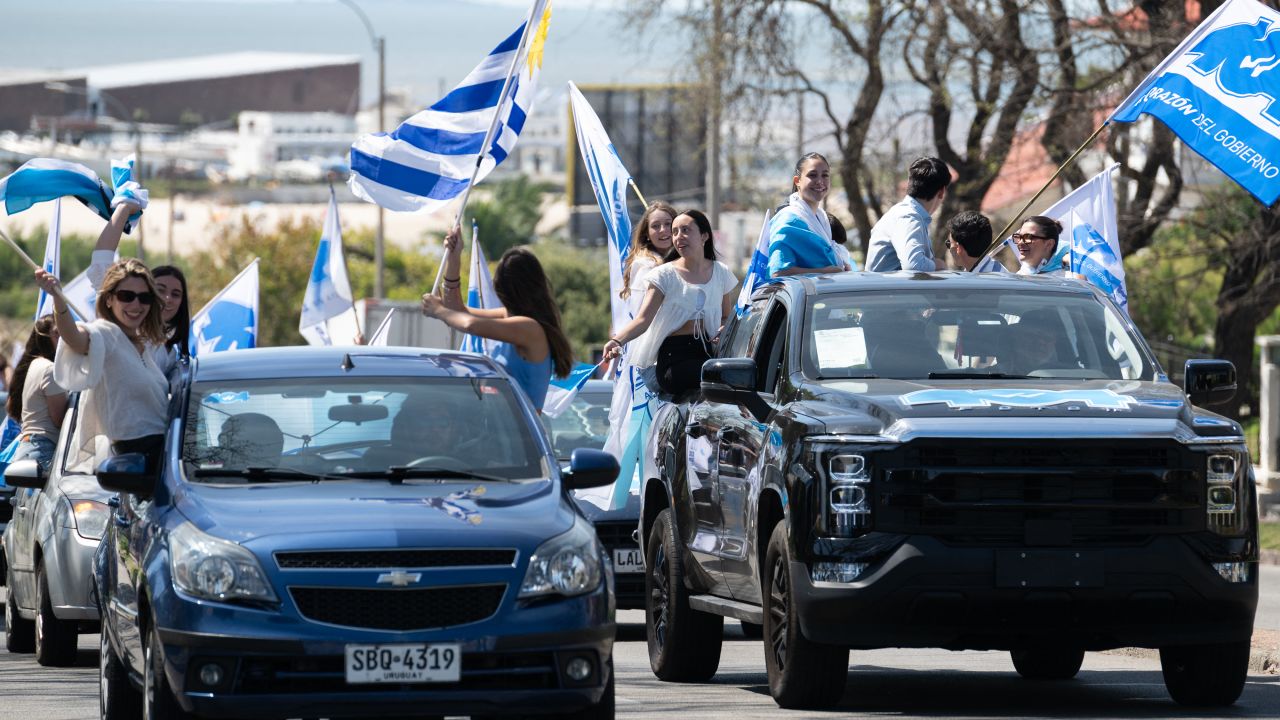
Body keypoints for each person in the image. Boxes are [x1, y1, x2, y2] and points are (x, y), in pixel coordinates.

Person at [36, 259, 170, 472]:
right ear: (109, 300)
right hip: (134, 462)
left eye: (144, 298)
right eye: (127, 296)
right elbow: (74, 338)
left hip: (163, 459)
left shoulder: (143, 345)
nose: (136, 305)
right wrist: (58, 300)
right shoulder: (106, 333)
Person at [422, 236, 573, 412]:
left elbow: (470, 324)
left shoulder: (529, 328)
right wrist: (454, 257)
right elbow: (457, 310)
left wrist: (439, 311)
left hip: (518, 436)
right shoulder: (512, 319)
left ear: (503, 288)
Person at [603, 210, 739, 397]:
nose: (678, 236)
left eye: (685, 230)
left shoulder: (721, 272)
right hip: (674, 358)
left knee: (735, 377)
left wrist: (722, 329)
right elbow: (643, 319)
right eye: (675, 232)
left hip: (708, 353)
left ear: (704, 236)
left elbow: (726, 316)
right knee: (715, 376)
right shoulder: (663, 275)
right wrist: (616, 341)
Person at [88, 203, 191, 371]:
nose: (167, 299)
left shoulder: (171, 354)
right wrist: (124, 209)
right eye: (160, 290)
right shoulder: (118, 332)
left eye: (176, 294)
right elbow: (101, 261)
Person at [767, 153, 852, 278]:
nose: (820, 181)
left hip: (825, 296)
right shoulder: (788, 220)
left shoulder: (823, 220)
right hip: (800, 297)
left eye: (825, 175)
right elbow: (777, 273)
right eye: (812, 175)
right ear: (797, 181)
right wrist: (826, 272)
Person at [865, 156, 952, 272]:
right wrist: (938, 265)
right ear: (942, 192)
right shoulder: (908, 217)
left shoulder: (908, 214)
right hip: (887, 290)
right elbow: (913, 264)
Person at [4, 317, 67, 473]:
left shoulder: (36, 364)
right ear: (44, 338)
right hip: (42, 450)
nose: (65, 336)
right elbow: (60, 420)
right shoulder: (50, 369)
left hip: (31, 450)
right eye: (57, 333)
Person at [621, 201, 677, 309]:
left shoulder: (688, 260)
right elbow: (639, 313)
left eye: (668, 224)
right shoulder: (646, 266)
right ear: (647, 233)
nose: (663, 230)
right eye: (655, 226)